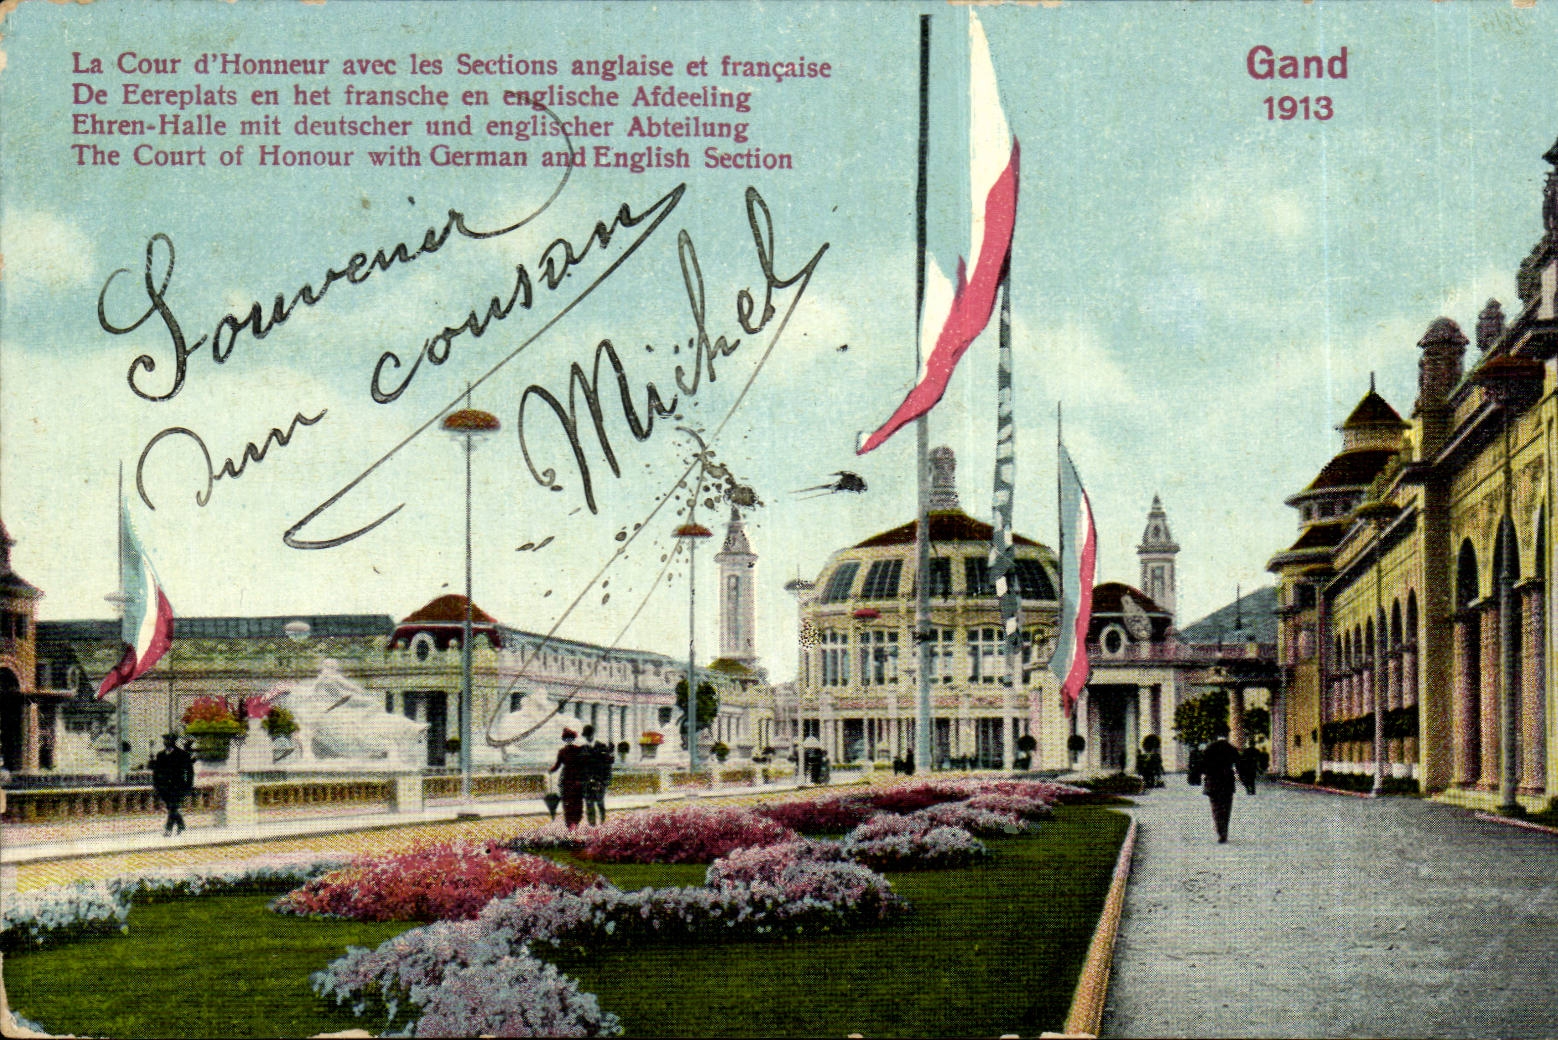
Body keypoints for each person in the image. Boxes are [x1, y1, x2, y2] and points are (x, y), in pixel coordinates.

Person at [1196, 724, 1243, 843]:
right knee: (1226, 808)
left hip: (1212, 783)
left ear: (1216, 735)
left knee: (1216, 808)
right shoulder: (1231, 748)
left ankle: (1220, 831)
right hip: (1227, 783)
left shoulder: (1209, 748)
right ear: (1227, 735)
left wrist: (1206, 773)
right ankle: (1224, 832)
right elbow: (1239, 765)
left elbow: (1202, 765)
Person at [150, 733, 194, 837]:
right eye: (165, 741)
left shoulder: (182, 754)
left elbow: (189, 771)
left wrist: (188, 785)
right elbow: (156, 771)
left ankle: (168, 829)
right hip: (164, 787)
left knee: (173, 807)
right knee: (171, 808)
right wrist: (156, 785)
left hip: (178, 786)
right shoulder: (160, 755)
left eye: (169, 741)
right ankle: (181, 825)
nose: (166, 743)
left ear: (174, 742)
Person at [548, 727, 588, 829]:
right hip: (570, 779)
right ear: (565, 740)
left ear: (572, 739)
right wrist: (551, 770)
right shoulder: (566, 751)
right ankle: (572, 823)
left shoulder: (572, 750)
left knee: (573, 802)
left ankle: (573, 823)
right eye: (567, 739)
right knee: (571, 802)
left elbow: (582, 765)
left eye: (570, 738)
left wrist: (550, 770)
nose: (569, 740)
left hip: (572, 778)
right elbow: (558, 765)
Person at [581, 723, 614, 826]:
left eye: (589, 735)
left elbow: (608, 764)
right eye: (586, 736)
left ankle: (602, 824)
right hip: (587, 782)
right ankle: (592, 826)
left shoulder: (601, 746)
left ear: (593, 734)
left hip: (600, 781)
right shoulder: (583, 749)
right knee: (589, 804)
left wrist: (605, 781)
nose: (588, 737)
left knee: (600, 803)